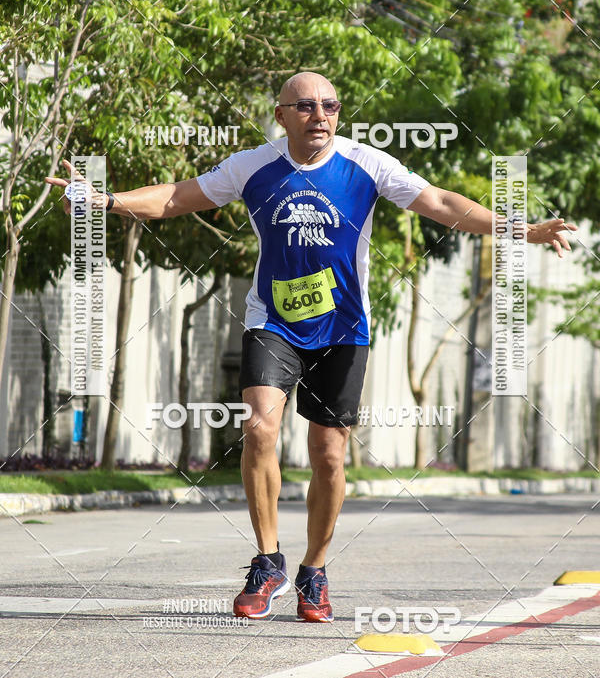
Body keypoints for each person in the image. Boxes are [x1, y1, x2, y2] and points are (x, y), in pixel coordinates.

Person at [46, 71, 576, 623]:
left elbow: (440, 202)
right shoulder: (254, 166)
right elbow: (178, 198)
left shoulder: (367, 164)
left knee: (328, 455)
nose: (319, 115)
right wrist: (104, 200)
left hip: (343, 327)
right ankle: (268, 559)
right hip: (271, 320)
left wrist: (522, 229)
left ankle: (314, 570)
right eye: (305, 106)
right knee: (259, 427)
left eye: (329, 105)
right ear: (282, 115)